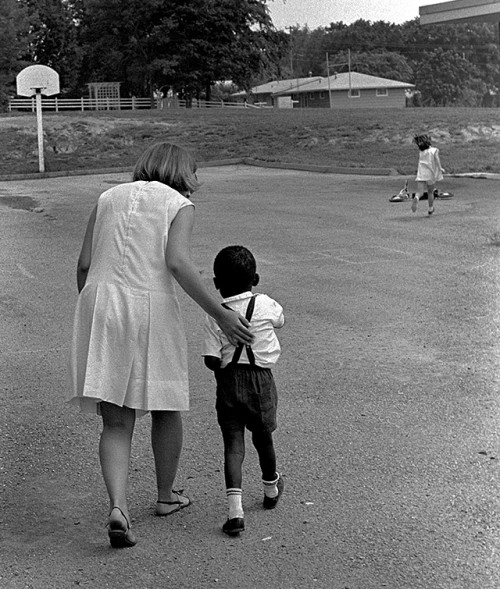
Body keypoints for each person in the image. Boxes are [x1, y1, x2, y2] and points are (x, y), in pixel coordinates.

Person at [68, 143, 253, 548]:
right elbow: (177, 263)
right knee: (166, 403)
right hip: (150, 303)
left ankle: (118, 507)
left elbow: (83, 264)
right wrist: (221, 314)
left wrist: (96, 312)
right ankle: (166, 496)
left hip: (99, 302)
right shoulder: (178, 205)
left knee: (115, 420)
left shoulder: (107, 197)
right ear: (183, 173)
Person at [202, 245, 285, 536]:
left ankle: (234, 511)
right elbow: (280, 321)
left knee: (233, 445)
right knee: (264, 439)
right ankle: (271, 487)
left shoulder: (217, 314)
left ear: (216, 283)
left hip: (228, 384)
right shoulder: (265, 304)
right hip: (261, 381)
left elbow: (212, 360)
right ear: (256, 278)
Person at [411, 134, 445, 215]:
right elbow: (437, 159)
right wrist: (440, 168)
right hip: (430, 173)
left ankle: (416, 198)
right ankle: (430, 208)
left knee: (420, 192)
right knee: (430, 192)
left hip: (421, 173)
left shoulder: (421, 152)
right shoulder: (434, 150)